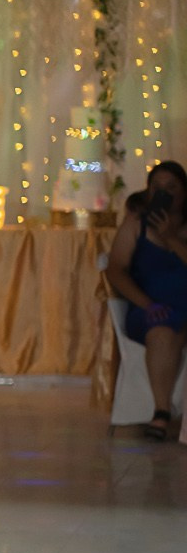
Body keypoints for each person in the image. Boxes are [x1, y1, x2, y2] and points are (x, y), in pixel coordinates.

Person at [105, 160, 187, 441]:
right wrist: (147, 304)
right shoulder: (135, 224)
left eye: (172, 188)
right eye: (157, 188)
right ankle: (162, 412)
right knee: (164, 330)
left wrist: (171, 238)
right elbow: (115, 269)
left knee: (177, 325)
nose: (164, 193)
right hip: (149, 307)